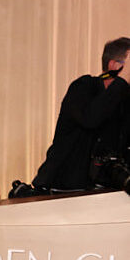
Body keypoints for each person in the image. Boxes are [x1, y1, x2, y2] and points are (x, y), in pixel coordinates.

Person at [32, 36, 130, 192]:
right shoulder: (83, 87)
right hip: (61, 191)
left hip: (104, 193)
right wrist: (122, 79)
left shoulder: (124, 100)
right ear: (114, 66)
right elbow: (90, 119)